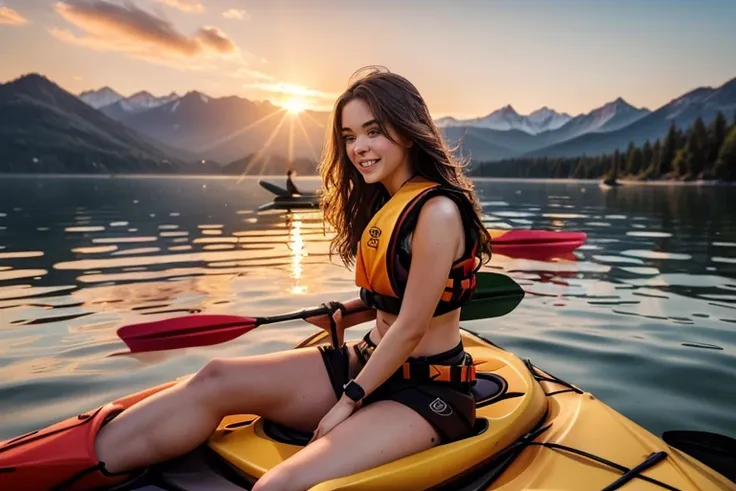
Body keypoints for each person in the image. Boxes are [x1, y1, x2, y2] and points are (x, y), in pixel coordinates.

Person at [90, 66, 493, 491]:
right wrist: (348, 314)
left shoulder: (438, 212)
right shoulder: (388, 204)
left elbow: (411, 326)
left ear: (409, 132)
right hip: (369, 358)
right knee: (216, 377)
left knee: (277, 486)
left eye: (373, 131)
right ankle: (79, 465)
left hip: (426, 392)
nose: (359, 148)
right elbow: (396, 301)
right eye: (349, 136)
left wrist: (347, 401)